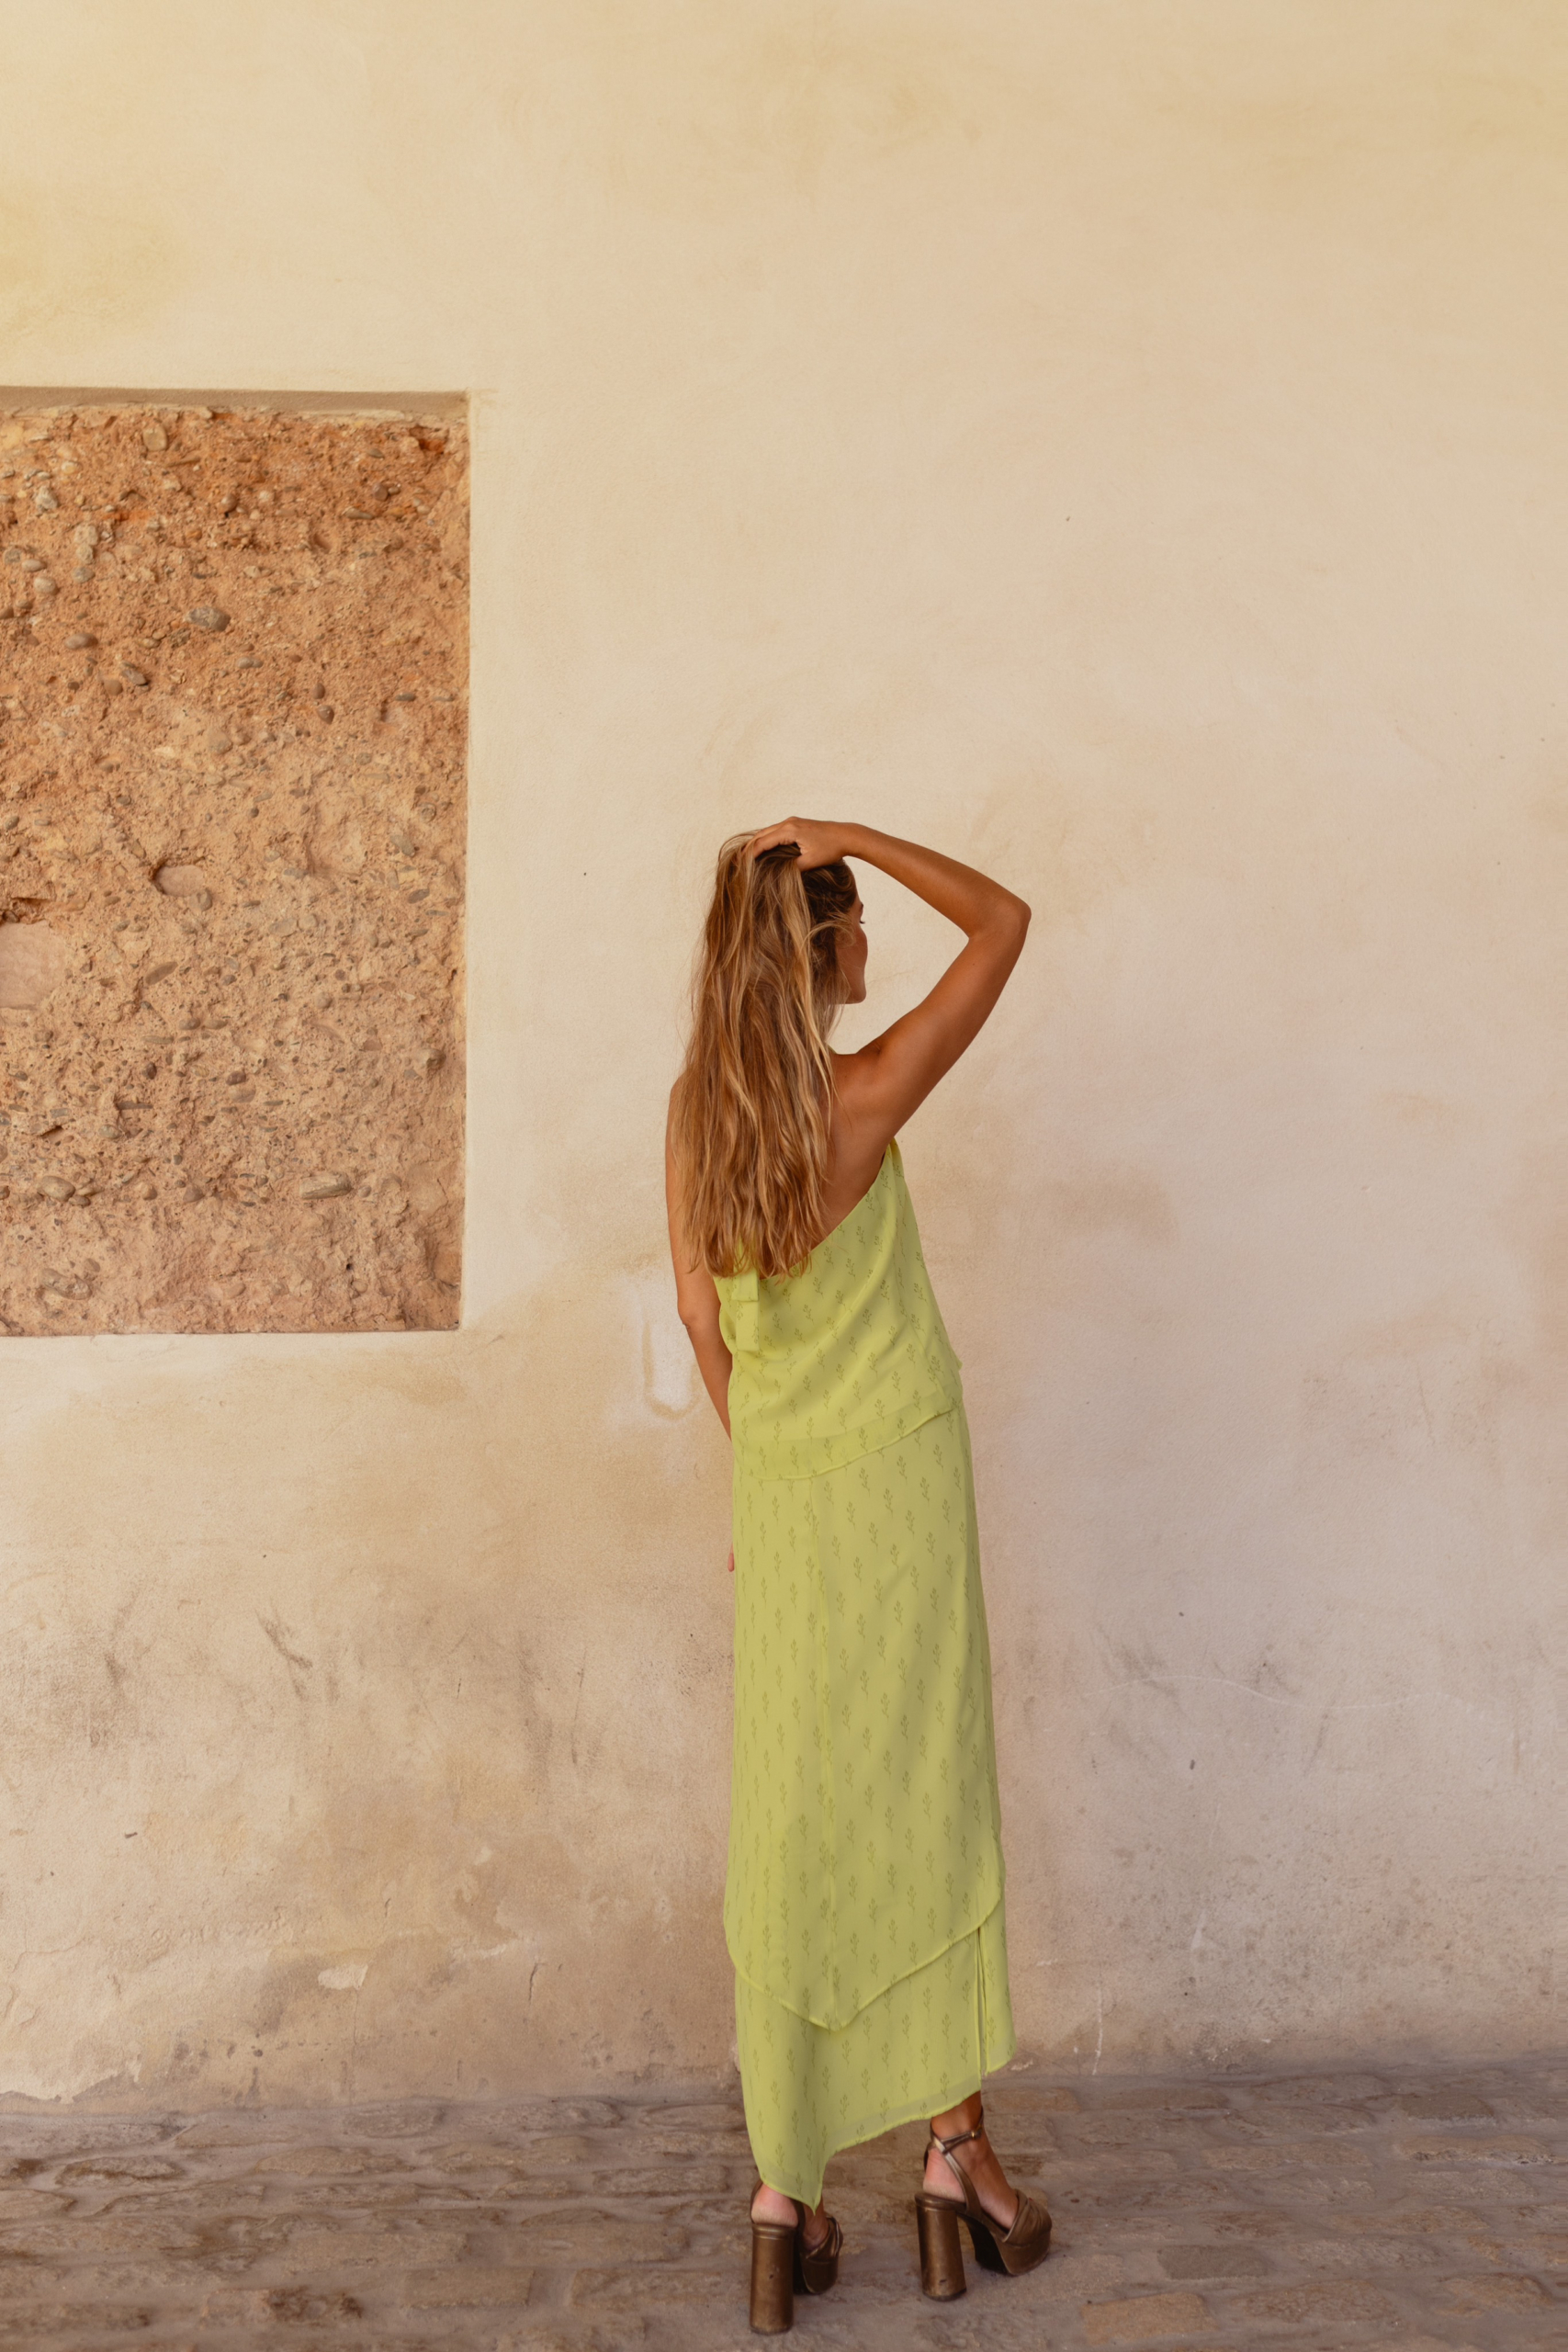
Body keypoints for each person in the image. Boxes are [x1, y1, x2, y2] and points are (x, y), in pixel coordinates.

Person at [665, 819, 1050, 2334]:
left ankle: (786, 2194)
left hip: (790, 1502)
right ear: (826, 951)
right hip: (902, 1489)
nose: (872, 943)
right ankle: (959, 2158)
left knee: (794, 1813)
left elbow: (703, 1324)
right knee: (924, 1797)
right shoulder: (870, 1092)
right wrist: (863, 833)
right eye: (856, 922)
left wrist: (760, 1476)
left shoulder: (699, 1117)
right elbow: (1005, 920)